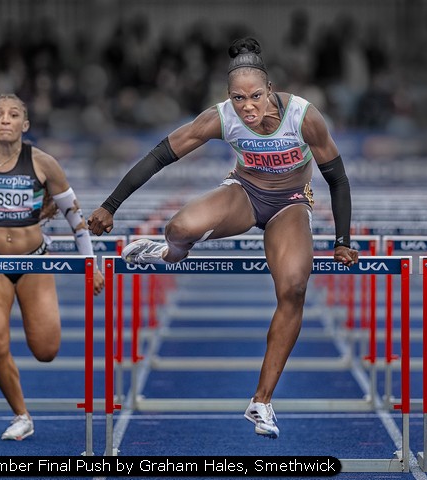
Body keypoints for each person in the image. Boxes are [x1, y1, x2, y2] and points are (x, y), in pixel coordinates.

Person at [88, 37, 358, 439]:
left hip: (289, 204)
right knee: (178, 228)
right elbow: (161, 154)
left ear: (270, 90)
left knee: (294, 288)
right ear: (228, 97)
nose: (247, 107)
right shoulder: (220, 118)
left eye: (255, 96)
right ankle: (169, 253)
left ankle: (261, 401)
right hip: (244, 194)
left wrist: (342, 240)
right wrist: (111, 205)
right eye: (238, 98)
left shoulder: (304, 117)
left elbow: (337, 178)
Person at [0, 93, 105, 441]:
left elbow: (76, 218)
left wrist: (90, 263)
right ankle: (21, 414)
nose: (5, 119)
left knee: (46, 350)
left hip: (34, 261)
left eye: (13, 114)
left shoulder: (44, 163)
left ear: (25, 124)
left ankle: (23, 405)